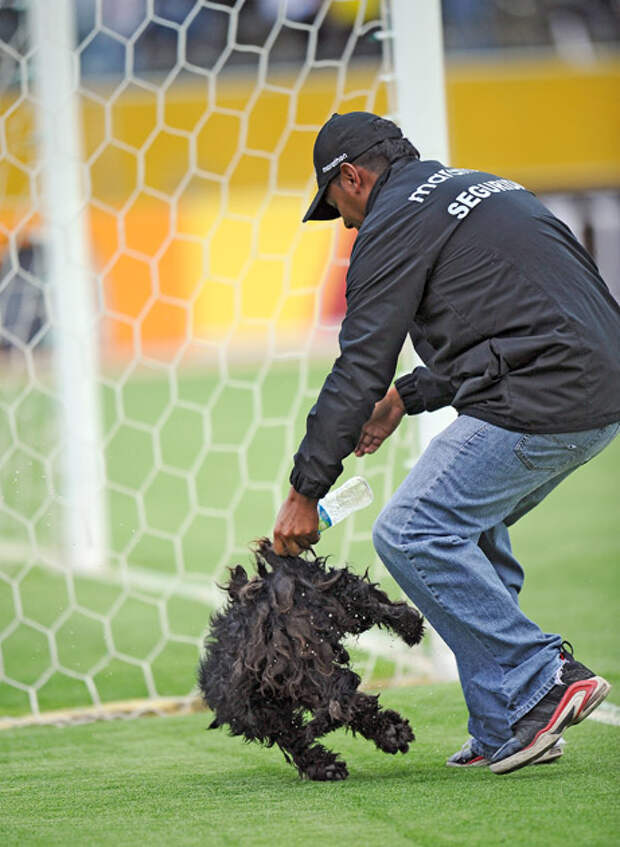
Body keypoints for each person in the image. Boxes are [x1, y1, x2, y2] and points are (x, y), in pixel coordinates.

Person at [271, 111, 620, 774]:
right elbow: (524, 324)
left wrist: (304, 491)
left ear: (353, 176)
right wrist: (407, 395)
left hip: (547, 393)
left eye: (338, 206)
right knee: (467, 523)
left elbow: (358, 367)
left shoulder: (393, 221)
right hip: (598, 391)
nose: (345, 223)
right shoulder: (480, 187)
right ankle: (506, 723)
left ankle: (541, 677)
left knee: (412, 529)